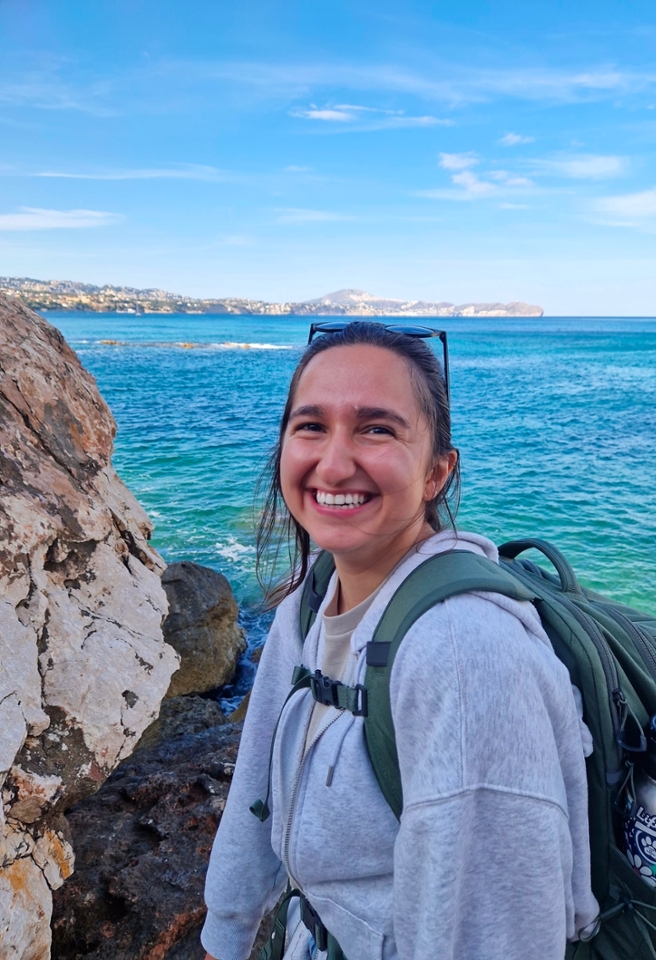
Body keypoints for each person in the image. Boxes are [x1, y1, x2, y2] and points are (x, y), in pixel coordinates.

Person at [201, 321, 599, 960]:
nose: (333, 464)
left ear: (437, 472)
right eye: (311, 425)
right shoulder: (313, 593)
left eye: (377, 429)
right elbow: (256, 784)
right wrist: (226, 933)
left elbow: (494, 938)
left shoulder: (463, 656)